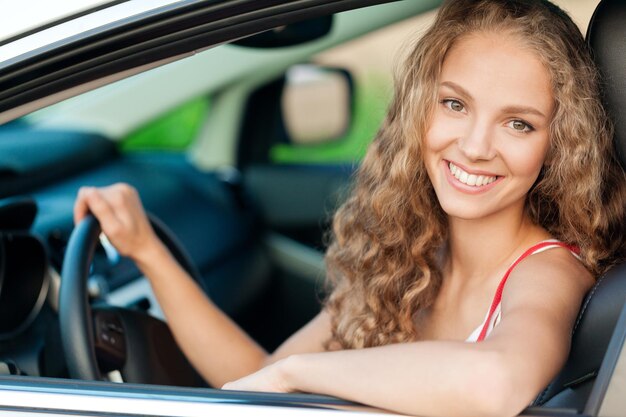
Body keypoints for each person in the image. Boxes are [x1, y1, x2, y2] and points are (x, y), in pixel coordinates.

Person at [73, 0, 626, 416]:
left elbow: (501, 383)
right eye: (454, 104)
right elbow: (258, 377)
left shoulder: (548, 271)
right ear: (417, 111)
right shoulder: (411, 257)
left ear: (559, 144)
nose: (477, 146)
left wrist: (301, 374)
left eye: (518, 123)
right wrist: (148, 250)